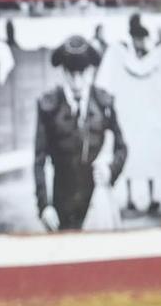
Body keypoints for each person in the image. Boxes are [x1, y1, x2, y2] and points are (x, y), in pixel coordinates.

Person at [34, 35, 126, 232]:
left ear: (91, 71)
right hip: (61, 205)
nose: (76, 82)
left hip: (97, 199)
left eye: (82, 73)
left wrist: (111, 170)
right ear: (63, 72)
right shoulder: (49, 106)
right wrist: (44, 206)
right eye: (70, 74)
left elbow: (122, 148)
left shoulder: (104, 103)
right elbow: (39, 160)